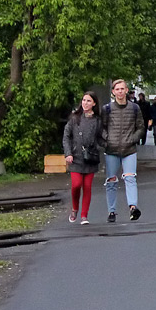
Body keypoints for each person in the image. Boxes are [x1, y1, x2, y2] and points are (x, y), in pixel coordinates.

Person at [103, 79, 145, 222]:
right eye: (117, 89)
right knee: (111, 181)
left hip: (129, 150)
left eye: (122, 89)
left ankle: (133, 207)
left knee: (130, 178)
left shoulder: (134, 108)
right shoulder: (107, 109)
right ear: (113, 92)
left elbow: (141, 127)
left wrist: (133, 139)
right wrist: (107, 139)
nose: (120, 92)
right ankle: (112, 211)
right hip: (111, 150)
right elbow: (101, 128)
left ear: (127, 90)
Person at [62, 91, 104, 224]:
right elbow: (66, 136)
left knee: (87, 186)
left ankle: (84, 215)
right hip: (75, 158)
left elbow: (100, 137)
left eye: (89, 101)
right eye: (84, 100)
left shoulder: (97, 120)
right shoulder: (75, 118)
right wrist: (68, 153)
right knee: (76, 185)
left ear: (94, 104)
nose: (85, 103)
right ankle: (75, 208)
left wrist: (108, 145)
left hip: (90, 158)